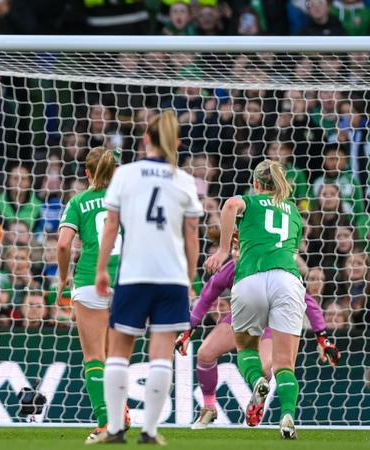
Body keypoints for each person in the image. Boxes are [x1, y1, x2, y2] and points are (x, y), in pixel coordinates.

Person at [94, 110, 203, 445]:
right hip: (170, 277)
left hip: (134, 273)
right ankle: (151, 432)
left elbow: (111, 226)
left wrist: (100, 269)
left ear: (145, 139)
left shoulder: (125, 174)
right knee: (161, 355)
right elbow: (192, 234)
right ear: (177, 142)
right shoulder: (184, 180)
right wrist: (189, 277)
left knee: (118, 353)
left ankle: (114, 429)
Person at [177, 226, 341, 429]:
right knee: (205, 353)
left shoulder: (272, 268)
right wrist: (187, 330)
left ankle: (260, 398)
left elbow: (308, 301)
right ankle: (209, 408)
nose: (237, 254)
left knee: (264, 369)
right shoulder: (230, 270)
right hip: (243, 319)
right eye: (234, 249)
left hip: (273, 323)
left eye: (241, 248)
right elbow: (206, 298)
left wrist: (322, 338)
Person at [204, 159, 306, 440]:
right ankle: (287, 415)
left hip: (250, 278)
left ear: (257, 183)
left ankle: (257, 380)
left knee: (246, 347)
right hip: (286, 278)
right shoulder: (295, 214)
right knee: (285, 362)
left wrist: (224, 249)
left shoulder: (249, 200)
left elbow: (228, 206)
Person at [56, 146, 130, 442]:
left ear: (87, 173)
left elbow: (63, 245)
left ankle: (106, 421)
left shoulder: (78, 201)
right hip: (126, 283)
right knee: (116, 357)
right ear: (116, 172)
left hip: (89, 280)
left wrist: (64, 278)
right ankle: (120, 411)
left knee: (94, 357)